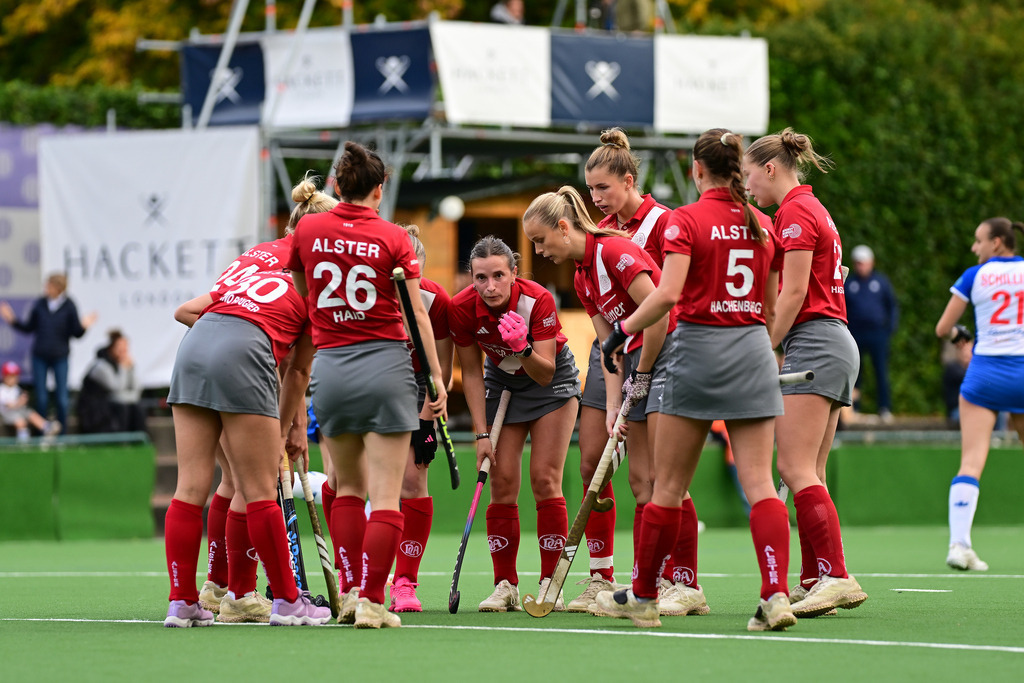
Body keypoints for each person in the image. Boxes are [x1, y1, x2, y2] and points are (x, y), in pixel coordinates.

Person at [595, 128, 793, 632]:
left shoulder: (684, 220)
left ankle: (642, 597)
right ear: (738, 170)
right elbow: (770, 310)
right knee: (761, 484)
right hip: (752, 352)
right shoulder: (764, 225)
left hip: (698, 352)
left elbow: (665, 296)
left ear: (695, 170)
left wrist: (621, 331)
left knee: (668, 488)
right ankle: (775, 595)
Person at [287, 141, 447, 629]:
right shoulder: (395, 237)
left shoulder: (308, 229)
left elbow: (301, 291)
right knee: (385, 494)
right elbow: (417, 312)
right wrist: (437, 377)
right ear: (380, 190)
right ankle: (375, 602)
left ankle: (354, 591)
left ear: (337, 186)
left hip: (331, 368)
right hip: (386, 368)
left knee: (346, 488)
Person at [176, 174, 337, 623]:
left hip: (198, 355)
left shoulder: (257, 254)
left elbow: (190, 310)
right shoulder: (313, 273)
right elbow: (299, 368)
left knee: (211, 485)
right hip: (246, 366)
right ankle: (255, 596)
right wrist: (288, 426)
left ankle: (207, 591)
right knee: (257, 485)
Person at [742, 127, 868, 618]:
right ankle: (817, 578)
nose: (749, 187)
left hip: (816, 341)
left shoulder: (795, 211)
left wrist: (762, 346)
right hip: (833, 341)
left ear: (770, 168)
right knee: (808, 471)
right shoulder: (810, 208)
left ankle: (835, 575)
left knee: (794, 469)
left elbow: (793, 294)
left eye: (750, 176)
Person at [581, 127, 704, 617]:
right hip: (622, 353)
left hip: (664, 353)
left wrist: (645, 370)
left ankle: (685, 581)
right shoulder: (604, 233)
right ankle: (636, 581)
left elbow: (673, 298)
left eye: (604, 188)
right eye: (590, 190)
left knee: (665, 476)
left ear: (629, 180)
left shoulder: (663, 222)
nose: (596, 199)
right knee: (637, 480)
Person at [448, 235, 580, 612]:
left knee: (544, 477)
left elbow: (545, 372)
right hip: (500, 384)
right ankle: (504, 584)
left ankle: (549, 584)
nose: (490, 287)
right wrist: (481, 434)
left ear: (514, 273)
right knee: (502, 480)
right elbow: (471, 374)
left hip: (550, 384)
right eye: (480, 278)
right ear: (471, 277)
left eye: (498, 276)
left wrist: (522, 347)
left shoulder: (538, 300)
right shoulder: (462, 308)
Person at [934, 217, 1024, 572]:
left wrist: (961, 337)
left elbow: (943, 328)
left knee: (971, 463)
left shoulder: (975, 276)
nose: (975, 248)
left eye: (978, 241)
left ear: (998, 243)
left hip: (985, 375)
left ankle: (959, 545)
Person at [388, 224, 454, 613]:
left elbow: (438, 371)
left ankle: (405, 582)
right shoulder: (367, 296)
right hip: (372, 378)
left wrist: (426, 421)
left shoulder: (435, 300)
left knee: (413, 479)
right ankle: (359, 578)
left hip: (416, 382)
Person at [0, 272, 97, 432]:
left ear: (58, 288)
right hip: (40, 356)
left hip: (60, 356)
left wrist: (84, 326)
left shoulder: (69, 306)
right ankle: (42, 433)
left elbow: (76, 332)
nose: (46, 288)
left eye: (49, 286)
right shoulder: (40, 304)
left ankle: (62, 435)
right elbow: (28, 327)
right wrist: (12, 320)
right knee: (42, 398)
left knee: (62, 399)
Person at [845, 244, 898, 422]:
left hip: (877, 334)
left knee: (881, 371)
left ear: (871, 262)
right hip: (855, 334)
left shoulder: (881, 282)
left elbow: (892, 306)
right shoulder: (850, 283)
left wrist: (889, 329)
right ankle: (853, 409)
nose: (862, 267)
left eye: (864, 263)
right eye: (858, 263)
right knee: (855, 372)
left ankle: (884, 408)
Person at [77, 330, 145, 433]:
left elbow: (137, 389)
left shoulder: (121, 365)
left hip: (109, 405)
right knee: (122, 407)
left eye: (126, 348)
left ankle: (139, 441)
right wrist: (123, 367)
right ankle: (121, 442)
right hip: (93, 412)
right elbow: (117, 389)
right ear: (111, 348)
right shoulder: (101, 366)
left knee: (137, 407)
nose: (124, 351)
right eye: (120, 348)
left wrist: (132, 368)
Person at [1, 361, 61, 441]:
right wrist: (20, 402)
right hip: (8, 414)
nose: (13, 379)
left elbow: (20, 404)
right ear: (5, 377)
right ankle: (24, 443)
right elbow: (10, 406)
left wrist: (24, 400)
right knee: (21, 422)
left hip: (19, 410)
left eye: (15, 376)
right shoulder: (2, 390)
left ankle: (47, 427)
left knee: (31, 413)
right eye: (10, 376)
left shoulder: (16, 388)